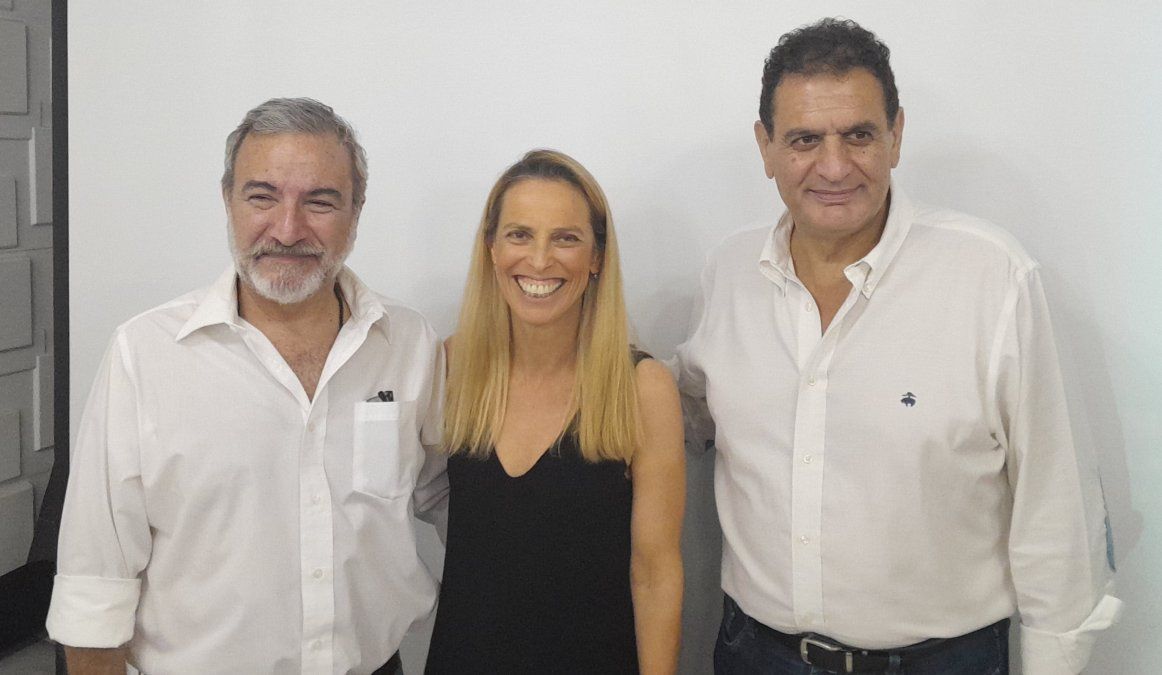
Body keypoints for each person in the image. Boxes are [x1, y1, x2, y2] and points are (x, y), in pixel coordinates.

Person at [673, 18, 1122, 675]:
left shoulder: (990, 276)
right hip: (755, 653)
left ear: (897, 136)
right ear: (765, 147)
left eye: (858, 135)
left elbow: (1056, 504)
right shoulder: (728, 272)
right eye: (804, 139)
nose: (833, 166)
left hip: (945, 661)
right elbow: (686, 410)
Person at [46, 98, 446, 674]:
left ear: (356, 212)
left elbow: (450, 499)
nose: (287, 229)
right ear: (227, 200)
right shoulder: (146, 354)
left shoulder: (409, 345)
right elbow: (95, 584)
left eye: (320, 201)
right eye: (262, 197)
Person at [424, 150, 685, 674]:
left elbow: (655, 575)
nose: (540, 261)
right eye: (520, 235)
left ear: (597, 257)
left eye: (565, 238)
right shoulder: (451, 369)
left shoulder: (641, 388)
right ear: (491, 249)